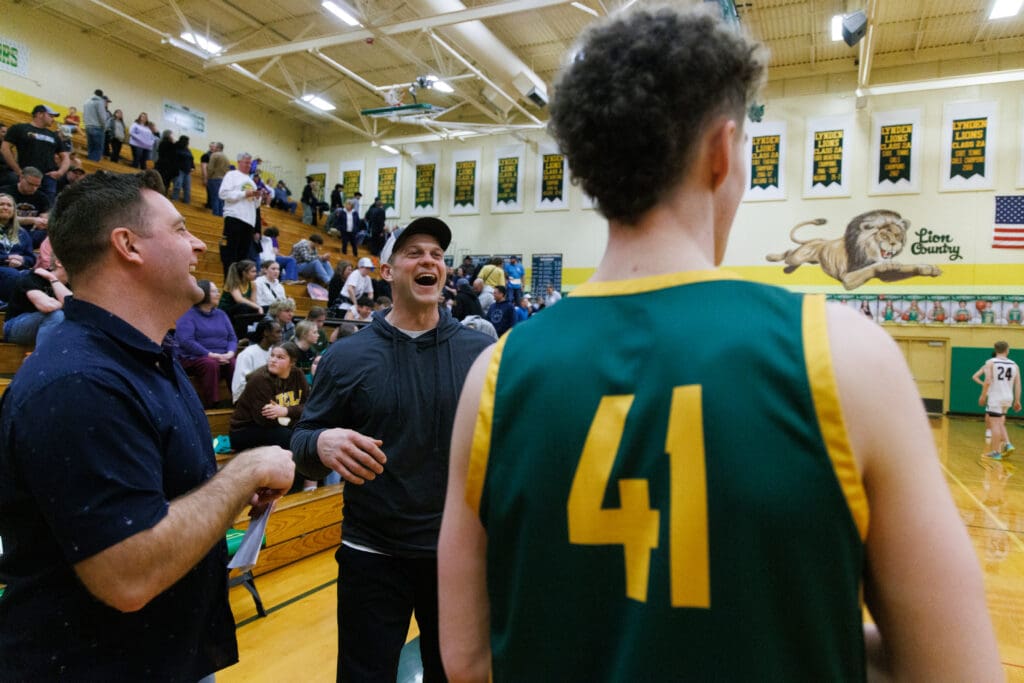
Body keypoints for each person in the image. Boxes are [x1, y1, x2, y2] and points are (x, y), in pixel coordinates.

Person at [436, 7, 1003, 683]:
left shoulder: (494, 376)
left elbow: (467, 661)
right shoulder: (844, 355)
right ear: (721, 150)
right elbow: (956, 670)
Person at [0, 169, 294, 680]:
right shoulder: (81, 382)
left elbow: (152, 500)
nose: (200, 243)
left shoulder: (145, 359)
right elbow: (128, 575)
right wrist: (241, 475)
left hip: (164, 656)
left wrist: (222, 495)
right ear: (128, 246)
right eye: (181, 229)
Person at [291, 217, 493, 683]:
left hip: (456, 553)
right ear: (387, 270)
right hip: (371, 553)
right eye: (414, 253)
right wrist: (320, 441)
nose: (429, 261)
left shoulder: (482, 352)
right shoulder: (346, 357)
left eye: (437, 255)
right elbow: (300, 440)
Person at [230, 341, 310, 491]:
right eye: (272, 355)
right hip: (245, 430)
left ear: (292, 362)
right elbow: (264, 419)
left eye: (280, 357)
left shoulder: (298, 375)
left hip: (279, 425)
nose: (273, 360)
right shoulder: (260, 379)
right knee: (290, 438)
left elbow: (308, 407)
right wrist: (293, 416)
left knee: (304, 435)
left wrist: (285, 411)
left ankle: (304, 487)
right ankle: (291, 490)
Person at [176, 279, 238, 408]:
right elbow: (186, 341)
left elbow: (232, 338)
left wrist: (230, 353)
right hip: (194, 357)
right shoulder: (187, 314)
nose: (218, 294)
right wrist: (210, 354)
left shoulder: (221, 314)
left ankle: (238, 399)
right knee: (210, 363)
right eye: (215, 291)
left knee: (233, 361)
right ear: (203, 294)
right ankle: (213, 403)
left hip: (221, 356)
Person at [2, 104, 70, 205]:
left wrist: (60, 172)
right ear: (40, 114)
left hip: (48, 177)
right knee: (17, 206)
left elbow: (65, 157)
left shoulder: (54, 136)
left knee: (47, 210)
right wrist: (17, 169)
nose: (53, 119)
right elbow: (5, 148)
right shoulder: (20, 128)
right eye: (50, 116)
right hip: (26, 175)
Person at [3, 262, 71, 349]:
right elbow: (47, 306)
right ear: (59, 262)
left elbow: (78, 309)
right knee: (56, 315)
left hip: (48, 327)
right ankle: (42, 359)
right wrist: (67, 304)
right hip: (14, 327)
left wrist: (53, 278)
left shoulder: (73, 284)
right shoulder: (33, 277)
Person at [219, 153, 262, 272]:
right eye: (246, 162)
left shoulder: (252, 182)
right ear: (239, 162)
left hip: (249, 222)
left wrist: (258, 197)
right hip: (234, 217)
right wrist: (244, 194)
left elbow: (256, 205)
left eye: (250, 163)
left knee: (243, 257)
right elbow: (223, 194)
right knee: (231, 253)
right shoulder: (231, 175)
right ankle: (229, 283)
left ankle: (238, 283)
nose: (249, 165)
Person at [979, 341, 1021, 462]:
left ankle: (996, 452)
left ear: (995, 349)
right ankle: (1007, 444)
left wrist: (982, 396)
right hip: (1008, 397)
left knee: (995, 424)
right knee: (1000, 422)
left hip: (996, 397)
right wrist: (1017, 400)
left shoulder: (990, 362)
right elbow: (1018, 384)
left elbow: (987, 381)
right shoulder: (1015, 365)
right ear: (1007, 350)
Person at [232, 319, 283, 403]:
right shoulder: (247, 354)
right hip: (247, 398)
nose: (281, 335)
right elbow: (240, 385)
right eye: (278, 332)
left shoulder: (274, 352)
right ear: (266, 333)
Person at [0, 167, 51, 248]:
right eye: (30, 184)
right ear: (21, 178)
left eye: (37, 186)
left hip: (30, 234)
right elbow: (4, 219)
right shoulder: (5, 192)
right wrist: (33, 220)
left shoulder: (42, 197)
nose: (34, 188)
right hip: (8, 230)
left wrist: (44, 222)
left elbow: (44, 219)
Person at [0, 192, 38, 301]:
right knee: (12, 274)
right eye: (1, 204)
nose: (5, 207)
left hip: (18, 269)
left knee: (36, 275)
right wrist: (7, 259)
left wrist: (22, 260)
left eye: (9, 205)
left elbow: (31, 258)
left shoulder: (22, 232)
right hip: (5, 269)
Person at [83, 89, 108, 161]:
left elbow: (84, 115)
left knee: (90, 147)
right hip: (97, 127)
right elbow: (102, 116)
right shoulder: (100, 102)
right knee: (97, 149)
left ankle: (89, 163)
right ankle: (94, 164)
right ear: (101, 95)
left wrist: (86, 124)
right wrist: (104, 126)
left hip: (88, 126)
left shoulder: (87, 102)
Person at [170, 135, 195, 204]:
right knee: (177, 186)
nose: (188, 143)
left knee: (187, 188)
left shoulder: (187, 150)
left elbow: (191, 159)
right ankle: (175, 200)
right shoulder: (176, 148)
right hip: (179, 170)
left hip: (187, 171)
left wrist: (193, 167)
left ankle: (187, 202)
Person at [207, 142, 229, 216]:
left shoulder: (214, 155)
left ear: (219, 148)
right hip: (223, 180)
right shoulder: (226, 158)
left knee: (214, 198)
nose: (214, 148)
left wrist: (208, 177)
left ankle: (215, 216)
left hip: (214, 178)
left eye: (215, 147)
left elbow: (210, 168)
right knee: (221, 199)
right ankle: (220, 216)